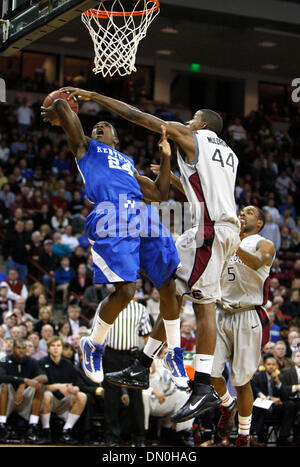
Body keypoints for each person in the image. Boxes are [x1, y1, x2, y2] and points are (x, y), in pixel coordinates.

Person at [60, 86, 241, 420]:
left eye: (192, 119)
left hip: (209, 229)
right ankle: (145, 364)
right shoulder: (229, 154)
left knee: (203, 305)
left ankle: (204, 387)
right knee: (171, 284)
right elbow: (197, 189)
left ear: (199, 124)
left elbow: (137, 116)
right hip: (214, 228)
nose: (188, 121)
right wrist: (169, 169)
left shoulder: (191, 136)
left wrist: (94, 96)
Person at [41, 98, 187, 391]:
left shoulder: (128, 165)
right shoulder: (86, 149)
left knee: (171, 286)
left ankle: (174, 351)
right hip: (111, 213)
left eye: (104, 126)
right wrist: (61, 101)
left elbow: (159, 194)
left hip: (143, 214)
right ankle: (94, 344)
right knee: (126, 291)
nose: (99, 127)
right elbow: (70, 119)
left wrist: (167, 156)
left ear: (116, 139)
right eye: (96, 126)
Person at [207, 206, 275, 447]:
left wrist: (234, 243)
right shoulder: (226, 241)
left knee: (241, 381)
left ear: (259, 223)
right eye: (241, 211)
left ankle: (244, 437)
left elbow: (259, 263)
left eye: (249, 212)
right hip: (220, 312)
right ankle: (228, 405)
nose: (242, 214)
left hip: (248, 315)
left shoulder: (263, 243)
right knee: (209, 372)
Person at [101, 298, 152, 447]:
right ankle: (112, 438)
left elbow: (147, 336)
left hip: (132, 356)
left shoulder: (140, 308)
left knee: (136, 398)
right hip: (111, 355)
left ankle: (139, 438)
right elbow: (96, 333)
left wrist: (148, 361)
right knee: (111, 399)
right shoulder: (105, 304)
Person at [39, 336, 87, 444]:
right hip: (49, 399)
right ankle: (46, 431)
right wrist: (58, 386)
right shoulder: (41, 363)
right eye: (53, 346)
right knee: (46, 395)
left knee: (82, 396)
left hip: (65, 399)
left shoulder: (68, 364)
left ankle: (67, 431)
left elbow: (76, 385)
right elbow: (40, 387)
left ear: (62, 348)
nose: (56, 348)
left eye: (58, 346)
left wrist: (74, 389)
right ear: (48, 348)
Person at [0, 338, 48, 444]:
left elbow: (44, 377)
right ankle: (1, 425)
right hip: (9, 398)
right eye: (18, 348)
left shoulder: (32, 361)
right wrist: (24, 380)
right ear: (13, 349)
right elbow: (1, 377)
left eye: (23, 348)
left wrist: (23, 384)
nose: (21, 350)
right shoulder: (4, 359)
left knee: (40, 386)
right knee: (4, 385)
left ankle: (33, 427)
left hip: (25, 398)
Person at [251, 354, 297, 446]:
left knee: (291, 404)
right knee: (260, 407)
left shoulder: (279, 376)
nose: (271, 366)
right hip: (263, 405)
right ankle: (260, 437)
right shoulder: (258, 376)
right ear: (264, 365)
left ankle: (283, 436)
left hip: (276, 407)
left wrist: (278, 382)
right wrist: (270, 398)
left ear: (276, 366)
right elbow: (256, 393)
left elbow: (285, 396)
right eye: (268, 364)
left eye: (273, 364)